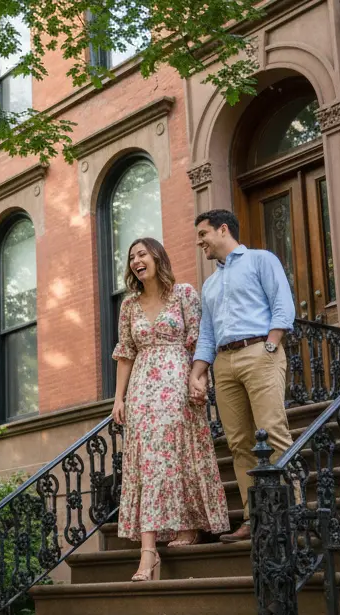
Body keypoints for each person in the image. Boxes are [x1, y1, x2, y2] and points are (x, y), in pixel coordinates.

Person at [111, 237, 230, 581]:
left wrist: (199, 377)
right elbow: (125, 353)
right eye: (132, 257)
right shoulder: (129, 306)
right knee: (148, 460)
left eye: (142, 253)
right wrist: (119, 398)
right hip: (141, 388)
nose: (136, 260)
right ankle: (149, 550)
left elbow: (200, 338)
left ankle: (187, 524)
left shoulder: (184, 294)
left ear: (157, 256)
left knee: (178, 455)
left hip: (177, 381)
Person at [187, 209, 295, 543]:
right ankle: (255, 518)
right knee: (238, 443)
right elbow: (206, 333)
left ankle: (293, 512)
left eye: (203, 234)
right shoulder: (210, 284)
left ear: (222, 230)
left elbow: (282, 304)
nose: (200, 242)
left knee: (272, 431)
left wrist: (272, 345)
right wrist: (198, 373)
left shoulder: (261, 260)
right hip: (224, 362)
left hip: (258, 352)